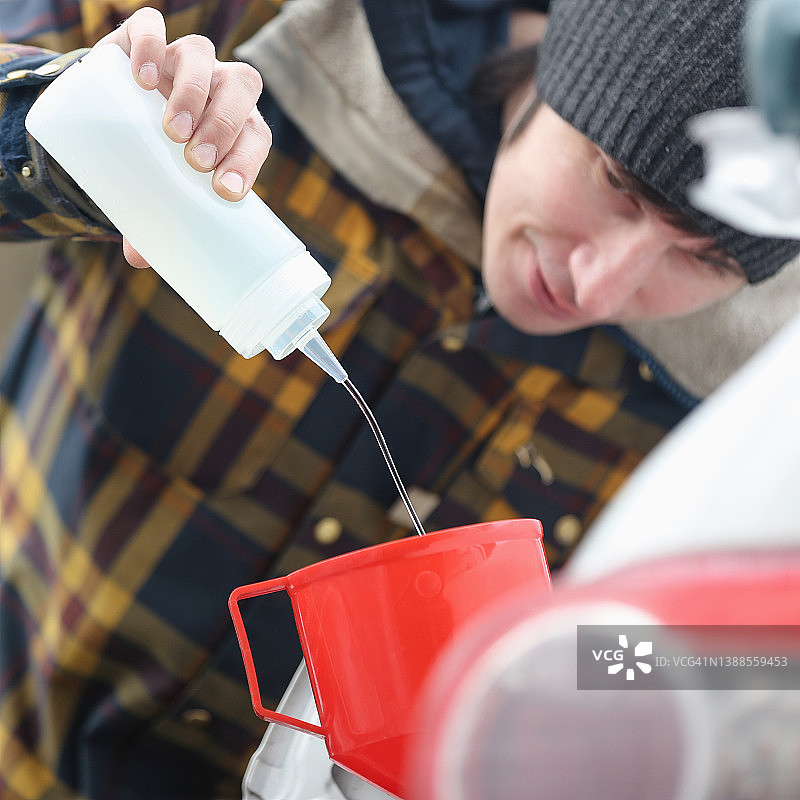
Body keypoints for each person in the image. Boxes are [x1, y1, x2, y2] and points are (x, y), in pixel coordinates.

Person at [1, 0, 798, 798]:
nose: (601, 286)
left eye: (705, 260)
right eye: (616, 184)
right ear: (556, 72)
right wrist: (80, 144)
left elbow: (728, 664)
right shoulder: (268, 30)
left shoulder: (752, 426)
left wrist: (618, 675)